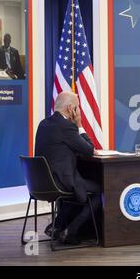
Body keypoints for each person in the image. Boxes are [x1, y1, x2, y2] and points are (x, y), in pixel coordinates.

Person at [35, 91, 101, 245]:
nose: (79, 111)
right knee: (100, 191)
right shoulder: (66, 127)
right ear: (71, 108)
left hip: (41, 183)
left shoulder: (44, 124)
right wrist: (79, 125)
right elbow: (90, 149)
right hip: (60, 182)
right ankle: (70, 231)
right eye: (78, 107)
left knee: (78, 187)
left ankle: (57, 226)